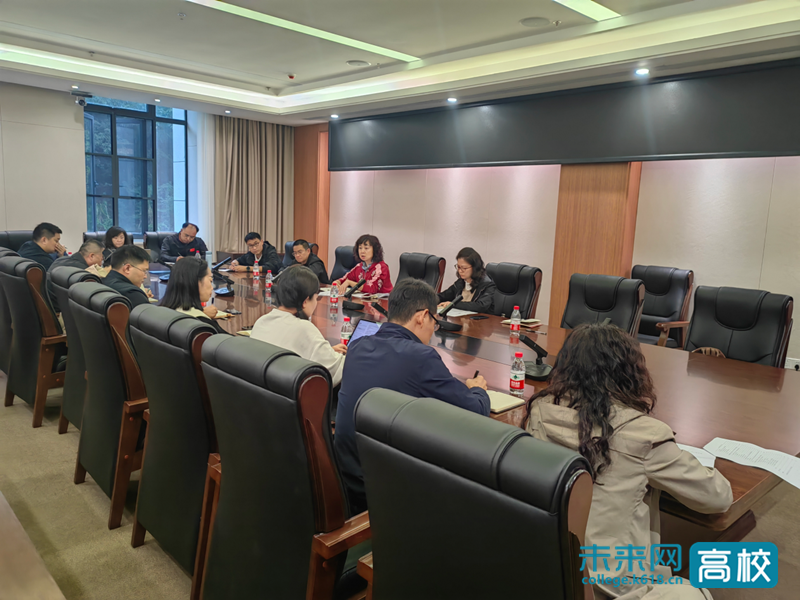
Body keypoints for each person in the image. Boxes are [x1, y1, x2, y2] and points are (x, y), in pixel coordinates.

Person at [524, 323, 732, 600]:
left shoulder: (541, 410)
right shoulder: (644, 433)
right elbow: (717, 497)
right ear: (629, 373)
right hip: (611, 583)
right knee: (692, 594)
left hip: (551, 564)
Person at [335, 278, 490, 514]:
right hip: (387, 495)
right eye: (434, 322)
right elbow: (475, 412)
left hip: (347, 480)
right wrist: (478, 389)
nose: (433, 330)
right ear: (422, 316)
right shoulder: (421, 357)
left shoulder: (357, 346)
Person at [251, 265, 346, 385]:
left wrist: (326, 351)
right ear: (305, 301)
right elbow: (338, 370)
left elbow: (285, 353)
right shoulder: (304, 328)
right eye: (315, 299)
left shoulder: (261, 321)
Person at [159, 257, 227, 334]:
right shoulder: (202, 326)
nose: (212, 287)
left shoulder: (160, 314)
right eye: (210, 280)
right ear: (196, 282)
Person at [47, 239, 105, 312]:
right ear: (92, 256)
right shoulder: (83, 273)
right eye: (101, 257)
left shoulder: (61, 259)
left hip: (47, 306)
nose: (101, 263)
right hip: (59, 312)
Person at [437, 247, 496, 314]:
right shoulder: (460, 282)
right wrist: (430, 299)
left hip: (480, 319)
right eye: (458, 267)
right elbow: (443, 296)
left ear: (474, 267)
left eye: (464, 268)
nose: (460, 271)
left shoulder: (487, 284)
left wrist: (453, 304)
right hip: (461, 318)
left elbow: (480, 306)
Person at [103, 245, 153, 310]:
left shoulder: (102, 282)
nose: (145, 276)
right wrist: (140, 296)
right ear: (127, 268)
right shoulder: (133, 294)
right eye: (144, 271)